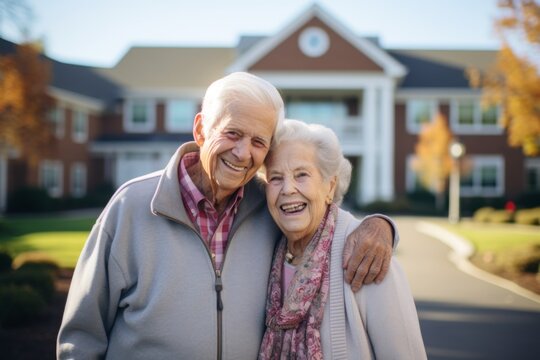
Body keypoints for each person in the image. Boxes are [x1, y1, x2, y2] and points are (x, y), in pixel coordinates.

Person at [57, 72, 398, 359]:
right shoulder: (131, 207)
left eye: (258, 142)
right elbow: (81, 338)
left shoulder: (268, 209)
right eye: (232, 133)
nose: (242, 153)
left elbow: (322, 218)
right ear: (201, 129)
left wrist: (379, 225)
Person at [258, 119, 426, 359]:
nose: (287, 189)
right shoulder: (267, 250)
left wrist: (383, 225)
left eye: (301, 174)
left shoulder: (367, 256)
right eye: (275, 178)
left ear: (330, 186)